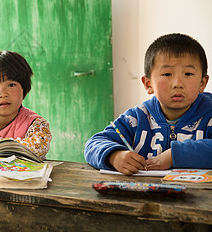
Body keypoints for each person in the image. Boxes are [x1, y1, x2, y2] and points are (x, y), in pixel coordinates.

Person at [84, 33, 211, 175]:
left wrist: (174, 155)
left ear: (202, 83)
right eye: (167, 74)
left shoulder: (209, 114)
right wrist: (114, 156)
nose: (177, 84)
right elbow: (93, 144)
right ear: (148, 84)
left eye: (188, 74)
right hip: (142, 194)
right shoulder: (136, 118)